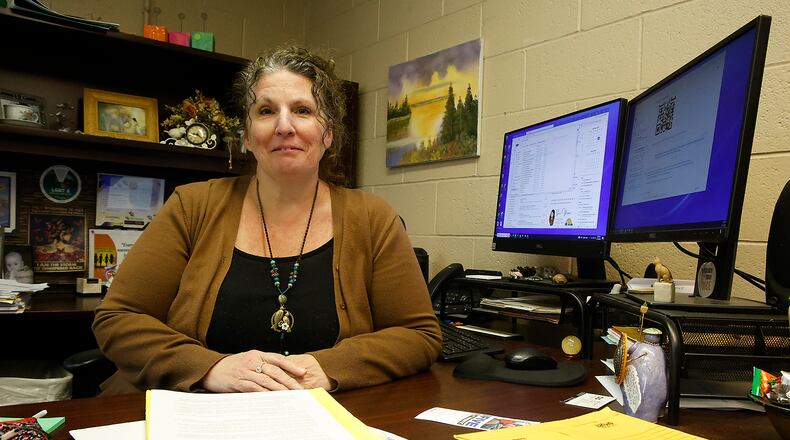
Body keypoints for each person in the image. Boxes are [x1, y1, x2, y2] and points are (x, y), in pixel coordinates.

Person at [93, 46, 441, 394]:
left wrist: (329, 367)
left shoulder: (373, 218)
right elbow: (118, 318)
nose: (284, 126)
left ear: (329, 134)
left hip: (321, 414)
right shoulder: (192, 206)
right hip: (197, 411)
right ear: (246, 135)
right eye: (266, 111)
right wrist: (209, 367)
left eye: (302, 110)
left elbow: (418, 335)